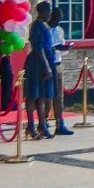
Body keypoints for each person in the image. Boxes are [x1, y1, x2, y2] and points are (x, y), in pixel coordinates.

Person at [22, 8, 58, 139]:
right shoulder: (37, 25)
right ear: (41, 12)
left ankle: (42, 125)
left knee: (43, 96)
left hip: (46, 62)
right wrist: (46, 66)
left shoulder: (44, 25)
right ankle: (31, 126)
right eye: (47, 11)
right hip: (36, 65)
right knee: (33, 95)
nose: (49, 14)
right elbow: (38, 48)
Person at [47, 5, 75, 136]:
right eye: (57, 17)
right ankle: (44, 121)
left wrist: (65, 48)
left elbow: (60, 48)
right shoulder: (45, 29)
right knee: (46, 95)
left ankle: (60, 123)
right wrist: (59, 47)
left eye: (61, 18)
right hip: (46, 64)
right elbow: (49, 47)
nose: (58, 20)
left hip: (57, 63)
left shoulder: (59, 30)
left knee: (58, 96)